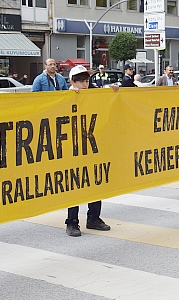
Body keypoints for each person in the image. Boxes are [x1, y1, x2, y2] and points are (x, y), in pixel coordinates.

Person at [65, 65, 113, 237]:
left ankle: (93, 218)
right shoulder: (65, 97)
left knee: (96, 181)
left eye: (86, 81)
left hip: (92, 145)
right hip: (75, 148)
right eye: (81, 81)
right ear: (72, 82)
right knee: (75, 184)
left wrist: (113, 92)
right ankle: (72, 222)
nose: (85, 84)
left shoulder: (93, 95)